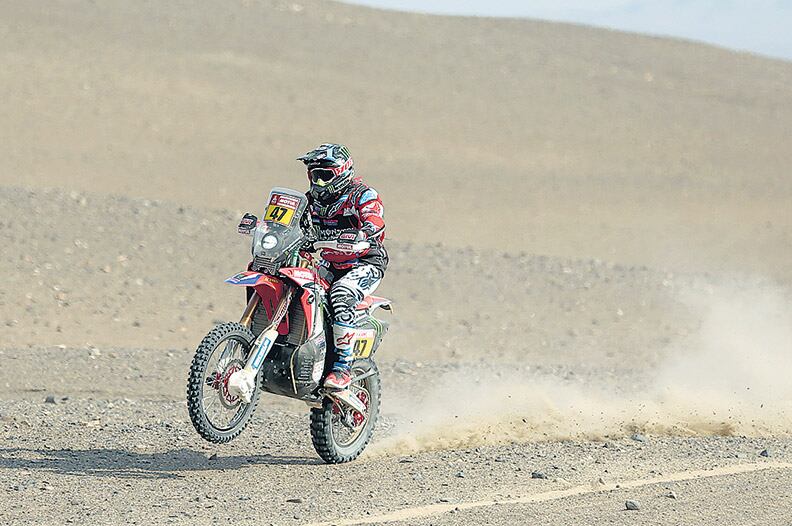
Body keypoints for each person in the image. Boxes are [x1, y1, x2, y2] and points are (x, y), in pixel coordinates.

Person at [297, 143, 388, 390]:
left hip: (364, 262)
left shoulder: (362, 195)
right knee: (298, 286)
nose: (319, 182)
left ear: (342, 173)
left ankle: (342, 368)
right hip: (330, 262)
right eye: (314, 175)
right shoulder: (309, 201)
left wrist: (365, 231)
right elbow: (292, 224)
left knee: (340, 294)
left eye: (324, 175)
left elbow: (375, 219)